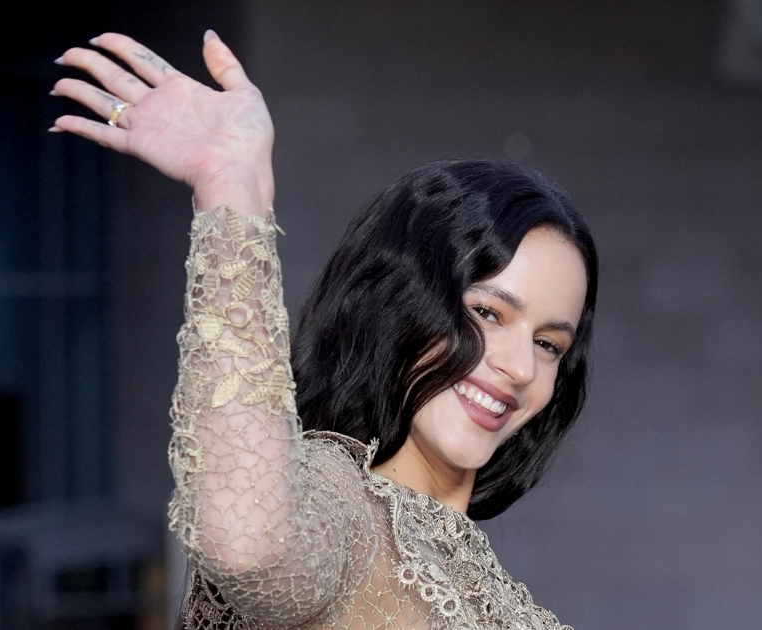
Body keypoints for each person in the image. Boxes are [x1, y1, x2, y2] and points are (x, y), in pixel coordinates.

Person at [51, 30, 598, 630]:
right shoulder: (340, 506)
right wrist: (232, 193)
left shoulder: (483, 580)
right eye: (488, 314)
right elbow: (250, 546)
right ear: (401, 303)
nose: (520, 367)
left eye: (549, 344)